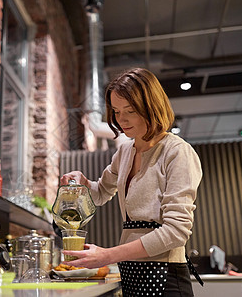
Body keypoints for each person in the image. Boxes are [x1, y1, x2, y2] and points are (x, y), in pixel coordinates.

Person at [60, 68, 203, 296]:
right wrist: (84, 183)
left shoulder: (177, 152)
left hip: (165, 274)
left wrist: (108, 255)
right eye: (116, 111)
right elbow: (100, 193)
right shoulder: (125, 152)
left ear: (151, 107)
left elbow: (176, 231)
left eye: (130, 111)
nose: (121, 120)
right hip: (131, 271)